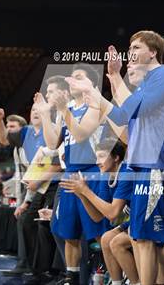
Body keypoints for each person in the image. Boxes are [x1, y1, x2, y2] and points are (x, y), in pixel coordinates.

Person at [81, 31, 164, 284]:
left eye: (136, 46)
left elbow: (128, 111)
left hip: (154, 166)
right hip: (141, 166)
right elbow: (124, 121)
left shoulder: (163, 75)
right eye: (130, 47)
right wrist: (113, 77)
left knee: (146, 239)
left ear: (153, 52)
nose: (131, 52)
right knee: (149, 239)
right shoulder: (146, 83)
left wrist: (101, 95)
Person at [37, 64, 108, 285]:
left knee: (97, 232)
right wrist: (46, 115)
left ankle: (104, 275)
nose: (71, 80)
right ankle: (71, 276)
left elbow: (80, 134)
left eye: (78, 77)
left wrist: (63, 111)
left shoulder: (95, 105)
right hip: (70, 173)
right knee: (69, 232)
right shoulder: (67, 107)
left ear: (91, 84)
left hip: (91, 172)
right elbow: (51, 143)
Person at [60, 138, 139, 284]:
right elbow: (97, 217)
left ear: (116, 157)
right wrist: (82, 195)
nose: (97, 161)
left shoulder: (126, 173)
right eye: (96, 157)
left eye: (101, 156)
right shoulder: (106, 176)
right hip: (132, 221)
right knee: (106, 239)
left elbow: (113, 213)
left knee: (116, 243)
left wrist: (86, 191)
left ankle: (136, 282)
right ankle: (117, 282)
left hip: (144, 221)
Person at [0, 110, 31, 276]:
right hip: (29, 187)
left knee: (26, 222)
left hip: (40, 187)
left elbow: (35, 174)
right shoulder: (17, 149)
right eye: (7, 126)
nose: (8, 129)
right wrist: (18, 198)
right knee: (22, 223)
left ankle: (28, 264)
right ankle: (25, 262)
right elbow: (20, 175)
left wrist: (25, 201)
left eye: (12, 126)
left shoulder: (30, 142)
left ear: (23, 128)